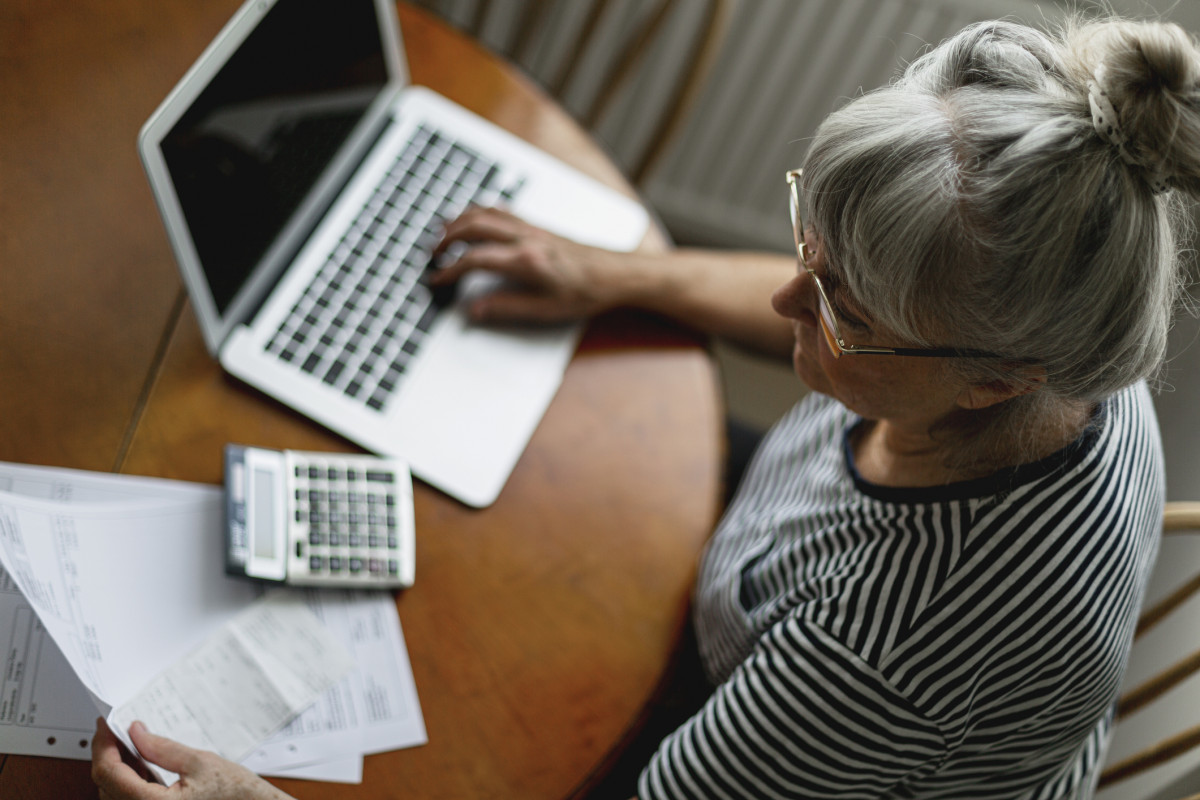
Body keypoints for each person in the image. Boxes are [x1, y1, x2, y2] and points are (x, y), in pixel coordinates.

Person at [93, 14, 1197, 800]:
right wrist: (608, 273)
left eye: (840, 310)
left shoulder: (891, 648)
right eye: (811, 242)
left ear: (995, 378)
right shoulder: (1074, 317)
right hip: (773, 575)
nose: (781, 300)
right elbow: (849, 298)